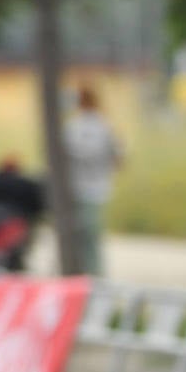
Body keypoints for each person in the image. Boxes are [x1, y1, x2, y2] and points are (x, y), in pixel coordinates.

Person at [62, 83, 122, 276]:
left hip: (82, 186)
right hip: (94, 186)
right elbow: (118, 156)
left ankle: (90, 274)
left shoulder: (77, 125)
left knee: (84, 232)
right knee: (88, 233)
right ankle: (91, 273)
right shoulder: (102, 125)